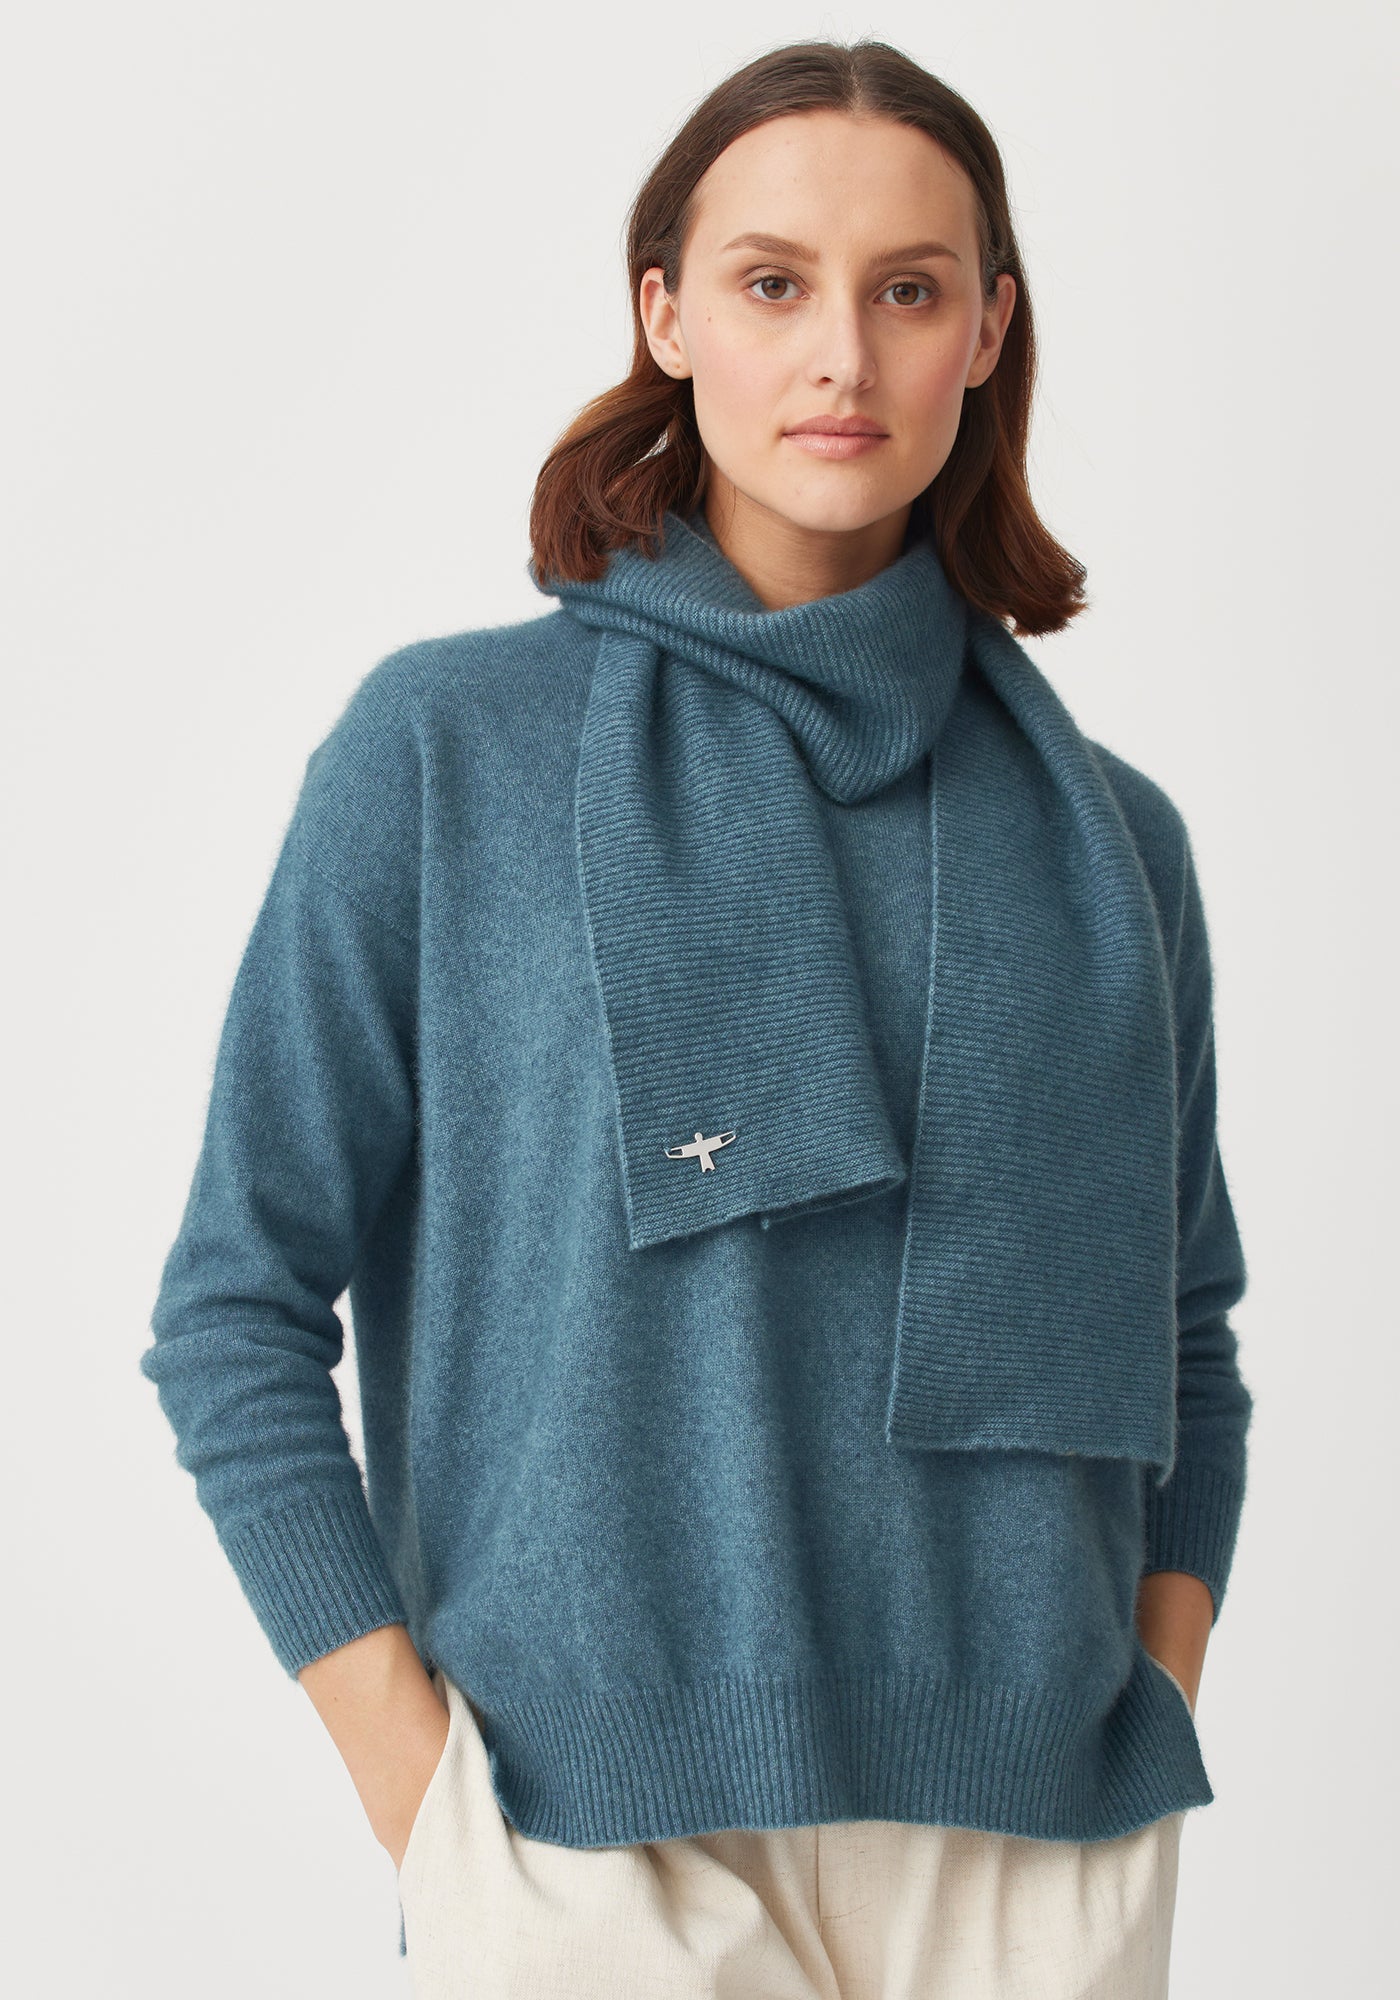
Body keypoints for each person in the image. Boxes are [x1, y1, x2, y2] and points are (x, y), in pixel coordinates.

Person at [139, 36, 1253, 2000]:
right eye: (772, 283)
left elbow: (1184, 1342)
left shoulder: (1113, 841)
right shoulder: (446, 753)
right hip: (586, 1848)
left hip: (1033, 1857)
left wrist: (1152, 1692)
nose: (842, 354)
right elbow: (236, 1305)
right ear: (665, 315)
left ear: (987, 332)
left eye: (908, 289)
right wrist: (424, 1796)